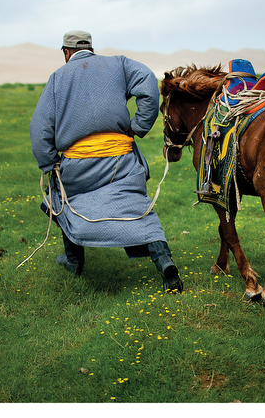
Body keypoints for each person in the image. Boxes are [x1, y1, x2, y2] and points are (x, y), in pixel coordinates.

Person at [29, 30, 183, 292]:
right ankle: (163, 260)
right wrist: (138, 126)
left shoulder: (57, 77)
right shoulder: (119, 64)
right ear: (90, 47)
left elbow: (40, 127)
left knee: (61, 197)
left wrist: (48, 163)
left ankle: (73, 261)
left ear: (66, 53)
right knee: (136, 205)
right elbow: (148, 83)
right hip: (121, 160)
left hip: (78, 166)